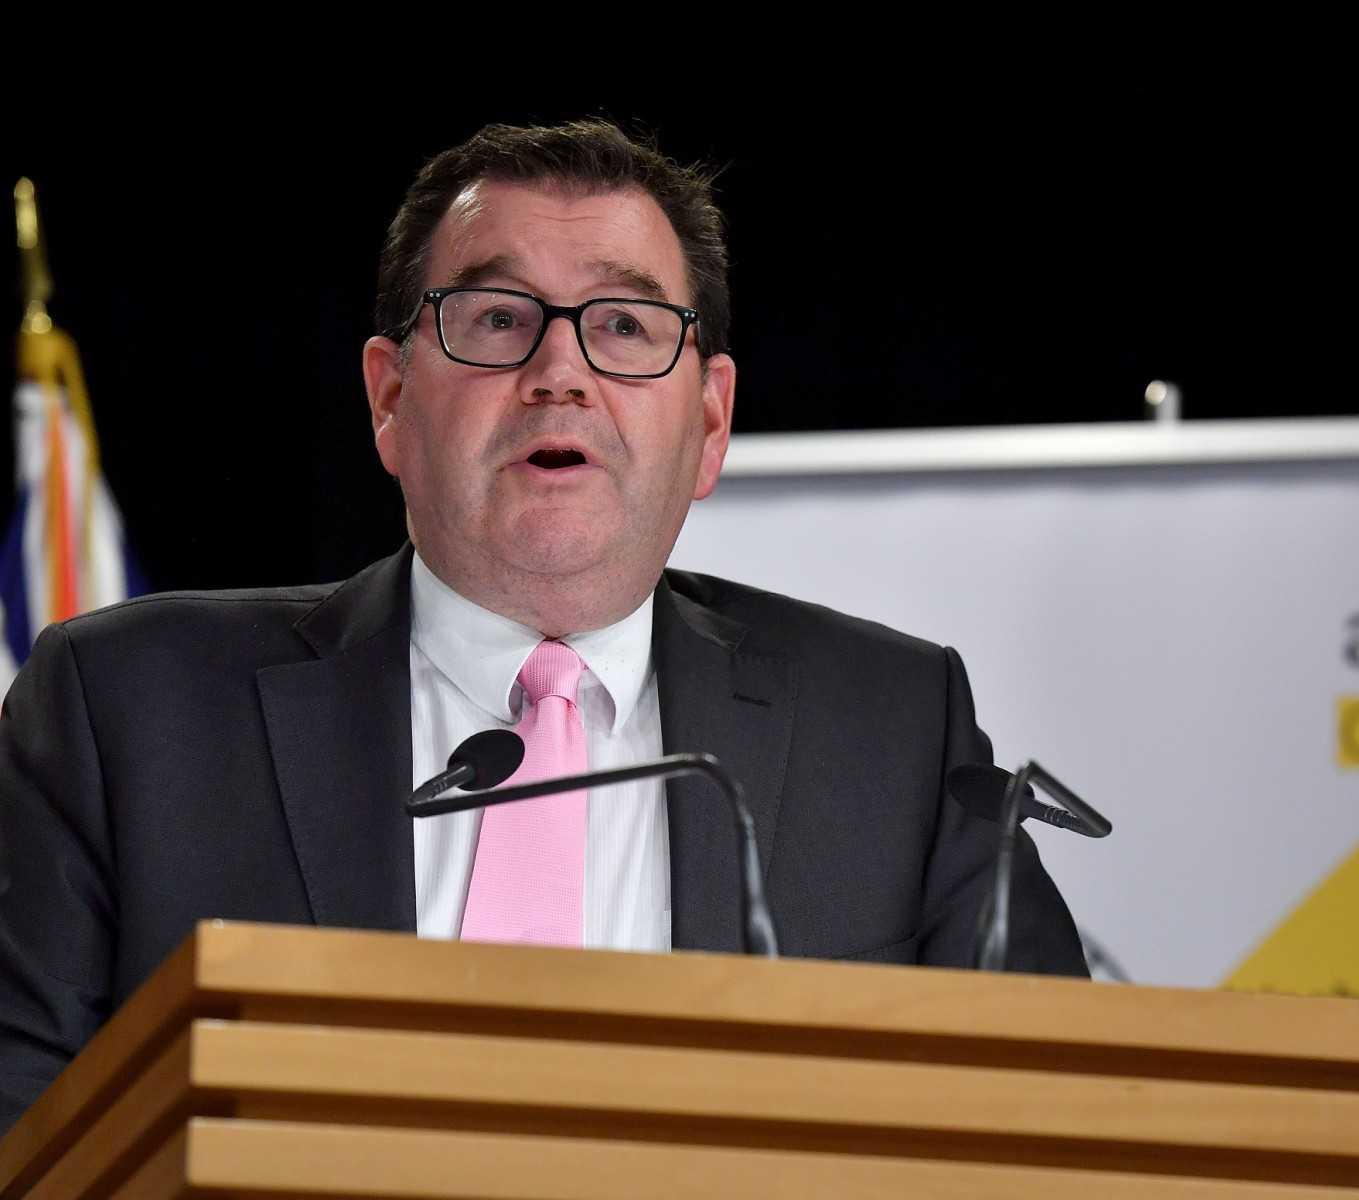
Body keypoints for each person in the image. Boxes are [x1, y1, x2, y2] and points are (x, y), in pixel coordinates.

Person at [0, 118, 1085, 1129]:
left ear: (709, 421)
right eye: (497, 320)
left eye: (623, 323)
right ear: (389, 400)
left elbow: (1056, 1117)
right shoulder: (127, 712)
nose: (557, 372)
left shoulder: (894, 729)